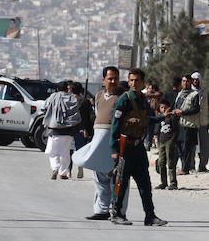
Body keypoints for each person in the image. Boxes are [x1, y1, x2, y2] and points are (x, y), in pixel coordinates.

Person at [109, 68, 167, 226]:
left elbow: (148, 119)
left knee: (145, 184)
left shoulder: (143, 100)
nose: (134, 83)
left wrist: (163, 117)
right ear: (128, 81)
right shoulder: (124, 100)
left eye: (137, 80)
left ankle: (150, 216)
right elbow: (115, 125)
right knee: (121, 182)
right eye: (131, 80)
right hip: (124, 147)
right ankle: (117, 213)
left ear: (142, 82)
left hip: (139, 147)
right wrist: (114, 150)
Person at [73, 66, 128, 220]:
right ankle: (101, 210)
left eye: (116, 78)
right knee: (99, 176)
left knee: (116, 176)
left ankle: (117, 211)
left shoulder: (123, 97)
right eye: (110, 78)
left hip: (113, 140)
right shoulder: (98, 96)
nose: (113, 81)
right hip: (98, 139)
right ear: (103, 80)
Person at [42, 81, 82, 180]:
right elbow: (75, 110)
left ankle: (55, 168)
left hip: (54, 130)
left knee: (53, 152)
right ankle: (63, 173)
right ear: (67, 89)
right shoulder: (71, 98)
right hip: (68, 130)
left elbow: (44, 107)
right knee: (65, 152)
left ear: (57, 89)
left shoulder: (52, 97)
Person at [174, 74, 200, 175]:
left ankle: (185, 169)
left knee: (187, 148)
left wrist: (182, 112)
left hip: (189, 125)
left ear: (191, 82)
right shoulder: (180, 93)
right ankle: (183, 167)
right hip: (180, 125)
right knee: (179, 146)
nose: (185, 83)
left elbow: (196, 109)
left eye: (187, 81)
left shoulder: (194, 94)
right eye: (184, 81)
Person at [154, 99, 179, 190]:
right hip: (161, 142)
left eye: (165, 107)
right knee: (161, 162)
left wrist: (172, 140)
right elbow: (157, 129)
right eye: (161, 107)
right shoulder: (160, 117)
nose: (163, 109)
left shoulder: (172, 117)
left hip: (169, 141)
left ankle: (173, 182)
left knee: (170, 162)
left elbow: (176, 130)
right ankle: (163, 182)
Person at [192, 72, 209, 173]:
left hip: (203, 122)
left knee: (205, 145)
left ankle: (202, 165)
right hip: (193, 123)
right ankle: (190, 166)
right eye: (193, 79)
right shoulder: (189, 92)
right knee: (192, 145)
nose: (195, 81)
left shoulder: (205, 92)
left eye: (197, 79)